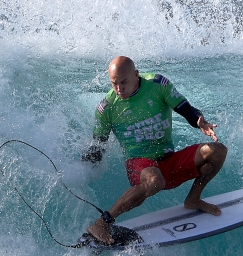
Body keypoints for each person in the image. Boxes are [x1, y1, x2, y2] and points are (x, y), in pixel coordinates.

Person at [82, 56, 228, 244]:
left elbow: (184, 107)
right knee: (154, 180)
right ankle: (102, 223)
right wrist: (81, 171)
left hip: (168, 159)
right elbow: (98, 145)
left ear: (136, 75)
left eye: (124, 82)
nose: (119, 89)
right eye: (114, 83)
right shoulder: (108, 108)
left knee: (218, 150)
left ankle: (193, 199)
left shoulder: (158, 85)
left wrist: (198, 120)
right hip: (140, 164)